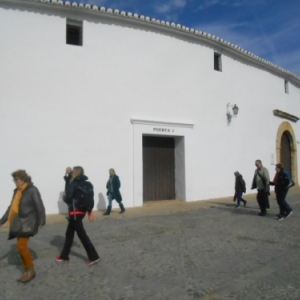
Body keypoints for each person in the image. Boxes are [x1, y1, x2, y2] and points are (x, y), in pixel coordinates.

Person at [0, 170, 45, 283]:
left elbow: (39, 205)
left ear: (23, 179)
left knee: (21, 246)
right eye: (14, 179)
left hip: (29, 222)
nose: (15, 182)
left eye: (17, 179)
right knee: (20, 246)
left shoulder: (32, 190)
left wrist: (42, 220)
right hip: (19, 222)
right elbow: (11, 207)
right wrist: (2, 221)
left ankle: (30, 270)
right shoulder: (17, 191)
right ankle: (27, 270)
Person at [55, 166, 100, 265]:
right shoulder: (88, 184)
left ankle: (94, 257)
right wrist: (89, 211)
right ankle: (64, 256)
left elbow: (68, 199)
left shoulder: (73, 184)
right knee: (69, 234)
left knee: (82, 235)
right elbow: (90, 198)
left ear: (75, 173)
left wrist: (63, 196)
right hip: (82, 212)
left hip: (75, 212)